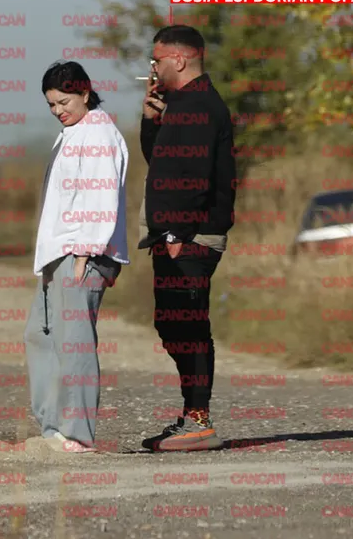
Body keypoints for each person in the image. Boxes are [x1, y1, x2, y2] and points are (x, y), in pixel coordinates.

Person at [138, 25, 236, 451]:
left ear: (178, 59)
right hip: (175, 234)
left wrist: (178, 233)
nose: (152, 68)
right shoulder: (182, 105)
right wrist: (151, 121)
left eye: (156, 60)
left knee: (190, 325)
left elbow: (195, 177)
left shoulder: (200, 105)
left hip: (192, 236)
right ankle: (191, 415)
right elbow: (161, 163)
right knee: (171, 323)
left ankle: (199, 421)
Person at [24, 60, 129, 453]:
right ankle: (52, 427)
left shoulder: (99, 132)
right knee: (40, 335)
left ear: (85, 93)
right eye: (51, 104)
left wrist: (87, 250)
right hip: (59, 253)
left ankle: (77, 434)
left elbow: (102, 193)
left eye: (64, 102)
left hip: (82, 253)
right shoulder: (73, 132)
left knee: (75, 344)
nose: (58, 110)